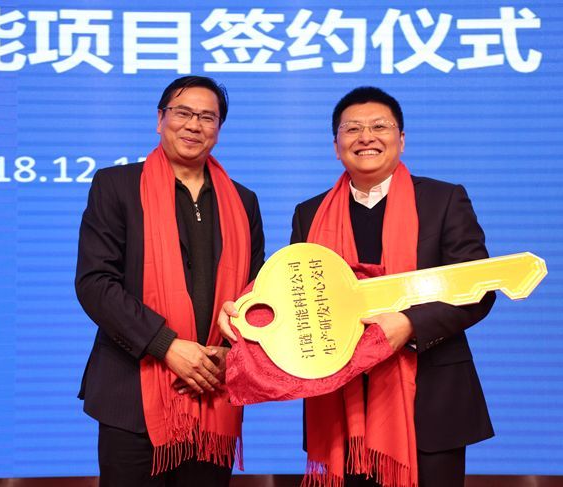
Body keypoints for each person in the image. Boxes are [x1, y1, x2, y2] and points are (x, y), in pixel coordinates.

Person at [219, 86, 495, 487]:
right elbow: (295, 297)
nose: (366, 137)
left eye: (379, 126)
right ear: (336, 146)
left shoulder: (443, 200)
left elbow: (478, 289)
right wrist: (246, 312)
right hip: (339, 402)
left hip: (430, 398)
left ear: (401, 139)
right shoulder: (310, 213)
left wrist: (409, 326)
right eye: (352, 129)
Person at [76, 75, 265, 487]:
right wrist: (166, 346)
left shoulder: (243, 201)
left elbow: (256, 295)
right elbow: (95, 283)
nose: (194, 125)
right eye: (183, 113)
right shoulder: (116, 186)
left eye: (207, 117)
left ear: (219, 129)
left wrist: (230, 352)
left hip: (213, 391)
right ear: (160, 119)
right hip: (131, 395)